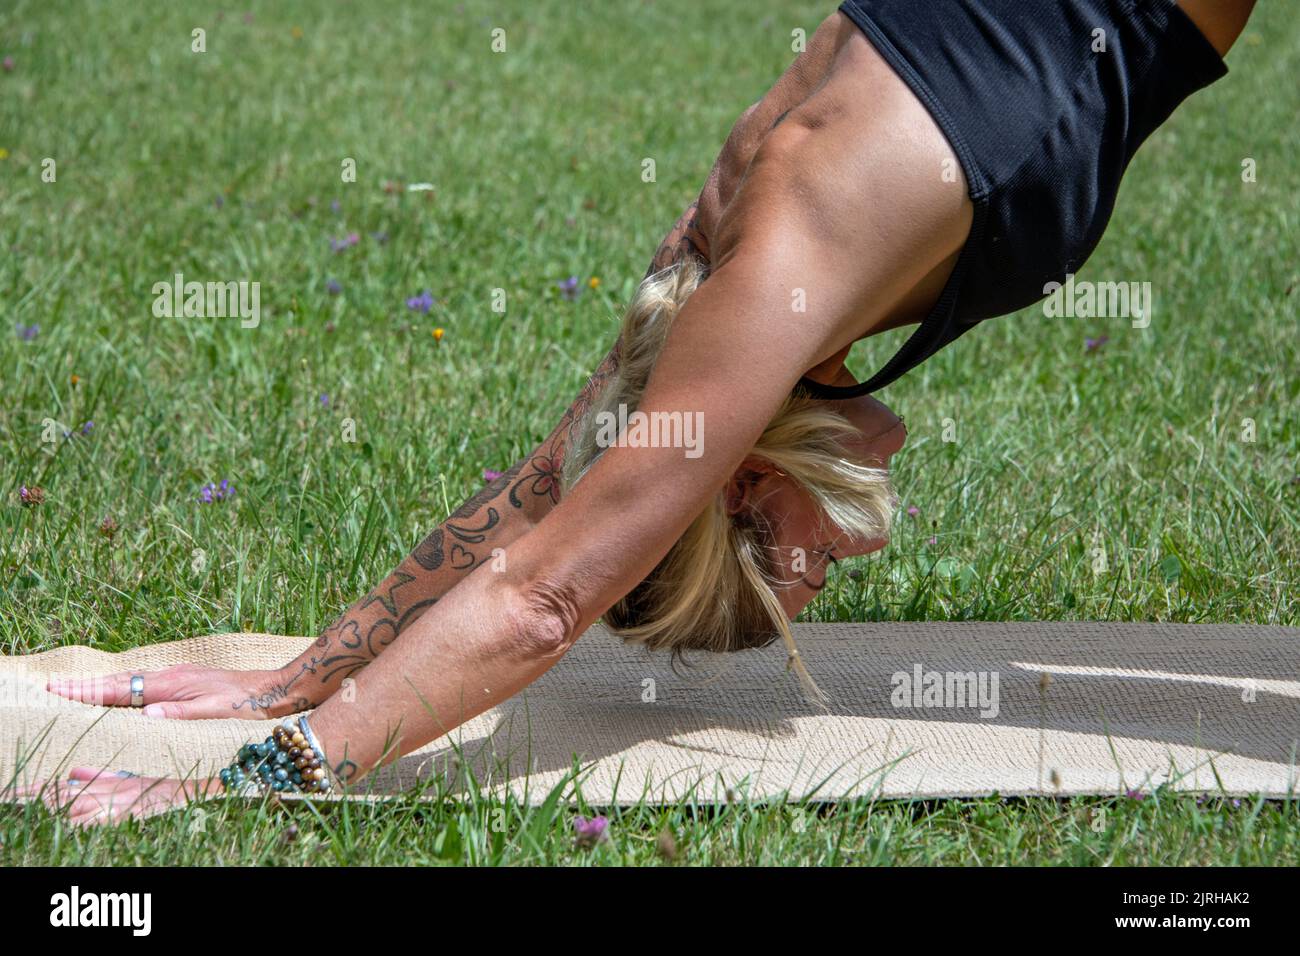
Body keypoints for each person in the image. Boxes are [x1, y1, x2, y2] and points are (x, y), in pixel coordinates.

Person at [21, 0, 1254, 824]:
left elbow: (545, 588)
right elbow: (560, 474)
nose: (844, 553)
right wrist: (295, 671)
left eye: (797, 564)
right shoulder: (706, 284)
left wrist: (260, 771)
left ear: (734, 480)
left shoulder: (770, 287)